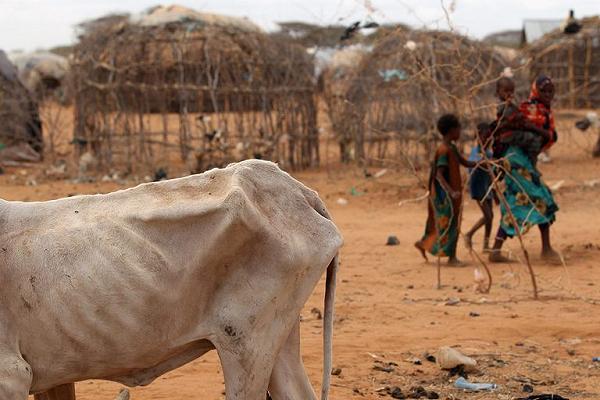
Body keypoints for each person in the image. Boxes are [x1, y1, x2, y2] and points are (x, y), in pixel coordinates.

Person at [489, 76, 560, 263]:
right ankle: (545, 250)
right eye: (543, 91)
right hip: (514, 160)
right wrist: (541, 133)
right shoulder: (520, 109)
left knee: (521, 200)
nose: (547, 95)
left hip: (523, 162)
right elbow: (512, 130)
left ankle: (496, 250)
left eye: (550, 91)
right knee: (540, 197)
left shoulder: (542, 111)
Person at [415, 114, 476, 265]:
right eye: (459, 129)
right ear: (452, 130)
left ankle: (424, 244)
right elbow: (439, 175)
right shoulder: (444, 150)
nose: (460, 133)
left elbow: (465, 162)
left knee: (446, 223)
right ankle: (452, 258)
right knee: (450, 224)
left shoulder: (452, 148)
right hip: (445, 196)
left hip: (452, 193)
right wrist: (451, 192)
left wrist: (483, 162)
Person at [491, 77, 549, 165]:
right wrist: (540, 131)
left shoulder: (509, 105)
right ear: (498, 92)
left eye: (511, 91)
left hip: (510, 134)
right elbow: (523, 123)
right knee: (534, 140)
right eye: (506, 91)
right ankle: (530, 164)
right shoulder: (504, 107)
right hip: (508, 136)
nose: (509, 94)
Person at [464, 122, 494, 252]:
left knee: (491, 216)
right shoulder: (476, 152)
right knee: (488, 216)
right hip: (478, 187)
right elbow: (473, 167)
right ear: (478, 137)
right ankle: (469, 234)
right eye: (484, 137)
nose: (486, 140)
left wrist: (495, 192)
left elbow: (491, 173)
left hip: (487, 186)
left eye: (489, 137)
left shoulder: (489, 153)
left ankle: (486, 245)